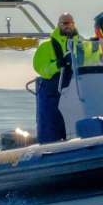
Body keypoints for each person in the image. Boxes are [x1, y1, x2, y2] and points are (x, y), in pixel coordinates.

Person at [31, 12, 80, 143]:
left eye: (71, 23)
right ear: (59, 25)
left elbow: (92, 60)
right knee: (51, 124)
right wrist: (59, 64)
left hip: (77, 89)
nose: (68, 26)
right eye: (65, 23)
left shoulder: (82, 44)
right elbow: (42, 69)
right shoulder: (46, 46)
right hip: (52, 91)